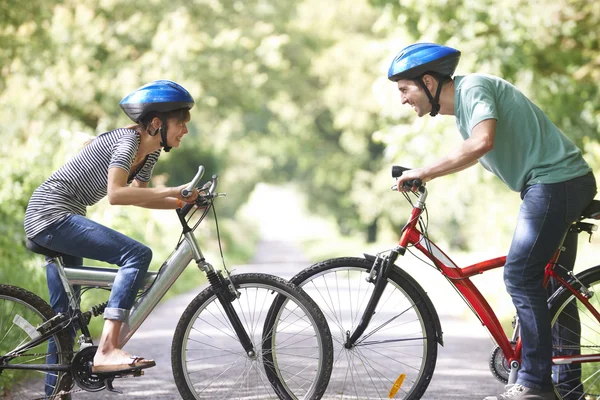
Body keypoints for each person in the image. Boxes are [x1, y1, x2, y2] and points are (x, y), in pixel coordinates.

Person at [387, 43, 597, 400]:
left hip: (554, 182)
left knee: (520, 275)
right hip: (555, 183)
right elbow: (473, 147)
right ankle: (569, 389)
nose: (403, 100)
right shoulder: (464, 111)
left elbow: (482, 143)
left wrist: (425, 171)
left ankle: (533, 384)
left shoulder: (473, 88)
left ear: (428, 81)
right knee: (552, 289)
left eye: (405, 89)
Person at [24, 80, 199, 397]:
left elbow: (140, 197)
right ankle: (107, 349)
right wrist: (175, 190)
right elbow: (116, 194)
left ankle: (54, 394)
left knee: (62, 321)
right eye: (181, 123)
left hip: (63, 217)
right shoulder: (128, 141)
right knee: (137, 254)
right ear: (156, 123)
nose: (185, 130)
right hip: (50, 215)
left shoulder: (150, 153)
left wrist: (180, 201)